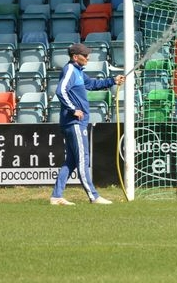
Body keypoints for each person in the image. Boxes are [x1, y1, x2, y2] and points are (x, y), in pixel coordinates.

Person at [50, 43, 125, 205]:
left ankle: (56, 196)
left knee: (71, 161)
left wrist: (112, 81)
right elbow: (60, 90)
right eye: (85, 55)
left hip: (75, 123)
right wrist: (73, 110)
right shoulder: (70, 70)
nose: (88, 58)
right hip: (74, 122)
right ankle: (93, 196)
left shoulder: (78, 72)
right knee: (83, 160)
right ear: (76, 57)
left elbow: (91, 84)